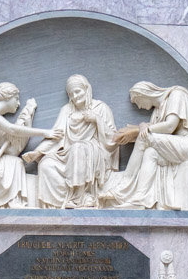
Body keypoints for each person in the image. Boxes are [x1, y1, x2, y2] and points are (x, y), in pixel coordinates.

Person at [100, 81, 188, 210]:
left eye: (137, 101)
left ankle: (123, 187)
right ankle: (140, 199)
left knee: (146, 139)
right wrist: (135, 132)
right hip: (182, 145)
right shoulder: (157, 112)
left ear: (144, 94)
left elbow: (169, 126)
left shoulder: (176, 94)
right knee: (151, 152)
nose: (139, 106)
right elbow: (155, 135)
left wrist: (140, 129)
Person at [23, 74, 118, 208]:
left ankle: (83, 196)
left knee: (78, 147)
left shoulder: (100, 108)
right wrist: (38, 153)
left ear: (87, 89)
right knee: (46, 164)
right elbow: (56, 135)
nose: (75, 96)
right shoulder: (66, 110)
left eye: (78, 91)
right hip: (67, 154)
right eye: (71, 94)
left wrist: (97, 120)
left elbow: (113, 139)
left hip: (92, 154)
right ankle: (56, 206)